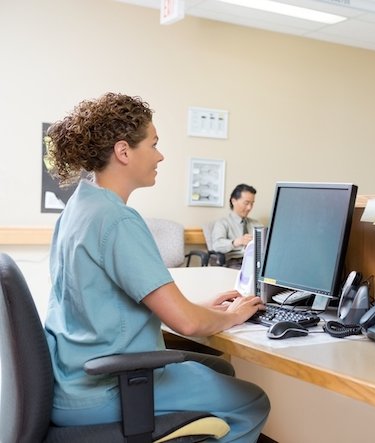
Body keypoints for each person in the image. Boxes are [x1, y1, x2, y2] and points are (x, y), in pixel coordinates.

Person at [43, 92, 270, 442]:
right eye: (154, 144)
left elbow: (115, 303)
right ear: (123, 152)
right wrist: (233, 316)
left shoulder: (78, 208)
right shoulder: (116, 220)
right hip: (108, 389)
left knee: (220, 368)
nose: (160, 155)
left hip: (71, 378)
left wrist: (201, 309)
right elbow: (187, 323)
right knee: (251, 400)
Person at [211, 183, 261, 268]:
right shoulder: (223, 223)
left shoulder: (256, 224)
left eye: (252, 203)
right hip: (235, 262)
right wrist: (236, 242)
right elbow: (216, 245)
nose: (249, 208)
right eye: (246, 203)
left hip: (256, 262)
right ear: (233, 201)